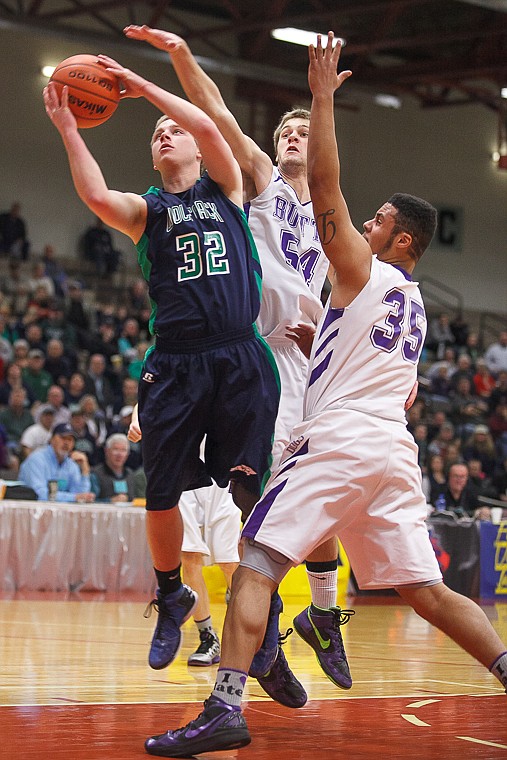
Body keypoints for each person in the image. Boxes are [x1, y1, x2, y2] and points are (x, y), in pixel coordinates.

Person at [143, 33, 507, 757]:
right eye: (288, 131)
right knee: (422, 588)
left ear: (397, 239)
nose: (364, 225)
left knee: (255, 551)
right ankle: (315, 622)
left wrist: (321, 99)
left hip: (328, 412)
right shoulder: (403, 296)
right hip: (307, 386)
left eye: (377, 223)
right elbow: (217, 117)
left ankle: (236, 688)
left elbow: (334, 193)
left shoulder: (352, 259)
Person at [124, 24, 350, 701]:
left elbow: (350, 297)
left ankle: (314, 615)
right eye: (286, 132)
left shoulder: (336, 214)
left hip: (306, 366)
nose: (292, 138)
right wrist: (181, 57)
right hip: (241, 354)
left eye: (304, 134)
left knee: (312, 503)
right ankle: (273, 637)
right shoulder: (255, 182)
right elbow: (214, 108)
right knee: (266, 506)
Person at [44, 55, 279, 677]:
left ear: (198, 152)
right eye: (155, 135)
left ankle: (269, 620)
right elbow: (95, 195)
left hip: (238, 352)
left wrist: (142, 88)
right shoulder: (148, 211)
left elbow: (205, 123)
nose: (164, 133)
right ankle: (172, 592)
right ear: (152, 162)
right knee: (161, 494)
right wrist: (70, 129)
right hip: (175, 362)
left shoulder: (227, 189)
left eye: (169, 129)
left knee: (250, 488)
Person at [19, 422, 95, 502]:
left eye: (70, 439)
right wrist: (73, 498)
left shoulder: (71, 464)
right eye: (63, 438)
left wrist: (85, 471)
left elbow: (81, 496)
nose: (66, 443)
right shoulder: (36, 459)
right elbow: (38, 494)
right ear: (51, 439)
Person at [90, 433, 136, 502]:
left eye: (123, 450)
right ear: (106, 451)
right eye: (116, 449)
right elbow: (90, 501)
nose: (119, 454)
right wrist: (110, 500)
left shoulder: (130, 474)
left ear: (127, 454)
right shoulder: (95, 474)